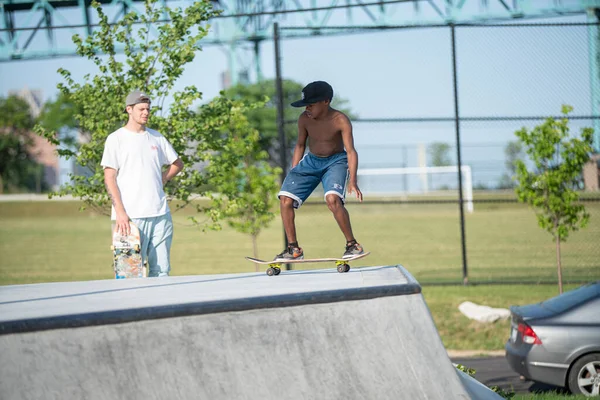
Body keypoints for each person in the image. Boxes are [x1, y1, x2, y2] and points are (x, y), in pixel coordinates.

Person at [275, 80, 365, 261]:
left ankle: (352, 245)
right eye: (305, 105)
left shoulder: (340, 120)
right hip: (311, 161)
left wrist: (352, 181)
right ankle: (293, 249)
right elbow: (300, 145)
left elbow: (351, 151)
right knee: (285, 199)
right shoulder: (304, 119)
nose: (307, 109)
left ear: (326, 101)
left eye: (311, 105)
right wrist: (294, 171)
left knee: (332, 200)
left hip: (336, 162)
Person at [101, 90, 183, 277]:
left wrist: (162, 178)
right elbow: (109, 178)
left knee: (161, 271)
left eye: (148, 109)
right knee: (128, 274)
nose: (146, 112)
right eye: (141, 109)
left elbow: (178, 164)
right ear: (129, 109)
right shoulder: (116, 139)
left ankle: (161, 306)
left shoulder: (157, 138)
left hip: (160, 214)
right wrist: (120, 213)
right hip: (130, 219)